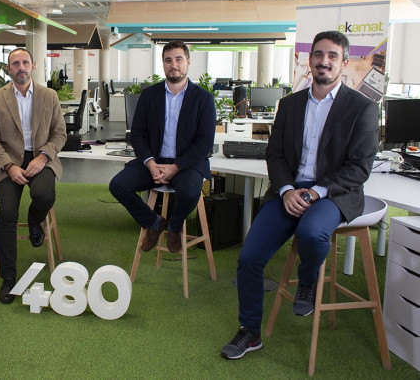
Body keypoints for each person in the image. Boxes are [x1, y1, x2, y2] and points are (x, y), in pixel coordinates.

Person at [221, 31, 380, 359]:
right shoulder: (290, 104)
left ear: (344, 63)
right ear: (310, 61)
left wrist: (316, 192)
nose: (324, 61)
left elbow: (359, 169)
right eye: (318, 54)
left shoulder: (362, 108)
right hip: (289, 191)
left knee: (311, 233)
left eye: (332, 56)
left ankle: (307, 279)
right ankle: (250, 332)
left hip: (332, 194)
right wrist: (288, 189)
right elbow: (275, 154)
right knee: (249, 258)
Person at [109, 40, 216, 254]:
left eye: (178, 59)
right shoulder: (149, 96)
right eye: (168, 60)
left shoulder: (203, 99)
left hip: (186, 164)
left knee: (189, 191)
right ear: (163, 64)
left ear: (188, 62)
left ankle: (175, 227)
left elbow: (204, 143)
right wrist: (150, 164)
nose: (173, 64)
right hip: (154, 160)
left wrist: (175, 167)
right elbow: (138, 134)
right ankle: (155, 223)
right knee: (118, 185)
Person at [0, 48, 67, 304]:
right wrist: (8, 166)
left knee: (43, 194)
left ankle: (34, 220)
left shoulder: (49, 95)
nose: (20, 67)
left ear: (32, 66)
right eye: (15, 63)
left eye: (25, 62)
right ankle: (9, 278)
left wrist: (43, 157)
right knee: (7, 214)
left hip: (41, 157)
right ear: (9, 69)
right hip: (9, 162)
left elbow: (60, 134)